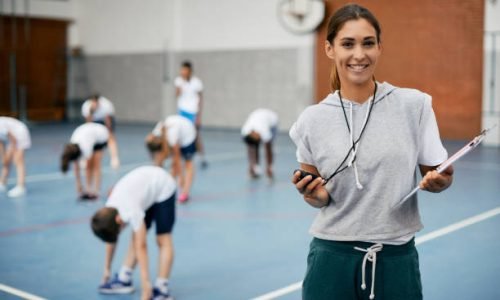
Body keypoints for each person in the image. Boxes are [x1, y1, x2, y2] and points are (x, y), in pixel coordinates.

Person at [289, 4, 454, 300]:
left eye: (368, 43)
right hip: (330, 261)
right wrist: (313, 195)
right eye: (347, 44)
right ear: (330, 49)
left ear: (379, 47)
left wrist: (439, 182)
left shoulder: (414, 106)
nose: (359, 54)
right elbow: (320, 197)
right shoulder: (311, 120)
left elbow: (438, 175)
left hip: (395, 260)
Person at [91, 166, 175, 300]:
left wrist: (145, 284)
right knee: (135, 236)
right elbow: (111, 239)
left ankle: (161, 289)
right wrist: (107, 268)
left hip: (163, 186)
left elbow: (141, 246)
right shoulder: (109, 210)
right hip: (144, 191)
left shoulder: (131, 210)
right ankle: (125, 278)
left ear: (119, 219)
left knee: (162, 239)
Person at [145, 115, 196, 203]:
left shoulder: (172, 137)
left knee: (188, 163)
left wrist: (181, 178)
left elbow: (177, 160)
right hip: (174, 134)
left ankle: (185, 192)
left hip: (187, 134)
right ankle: (163, 189)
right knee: (167, 166)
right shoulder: (155, 136)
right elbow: (158, 160)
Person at [61, 122, 109, 199]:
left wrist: (87, 189)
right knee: (90, 165)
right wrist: (78, 183)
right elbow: (76, 165)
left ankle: (96, 190)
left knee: (96, 164)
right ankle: (89, 189)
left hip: (101, 135)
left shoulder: (85, 147)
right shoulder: (72, 145)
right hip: (90, 134)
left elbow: (88, 167)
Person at [174, 61, 207, 168]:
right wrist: (181, 84)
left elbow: (200, 98)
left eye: (185, 70)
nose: (183, 72)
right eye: (182, 69)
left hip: (193, 112)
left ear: (190, 71)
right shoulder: (179, 81)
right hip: (182, 111)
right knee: (180, 135)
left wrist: (198, 116)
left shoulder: (196, 82)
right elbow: (177, 95)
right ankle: (181, 157)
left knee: (196, 135)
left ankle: (202, 157)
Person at [82, 94, 120, 169]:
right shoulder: (86, 106)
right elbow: (88, 122)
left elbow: (108, 121)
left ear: (99, 101)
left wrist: (109, 132)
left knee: (110, 138)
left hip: (104, 120)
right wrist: (91, 111)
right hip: (93, 121)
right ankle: (85, 159)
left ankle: (114, 158)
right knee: (88, 139)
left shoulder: (106, 105)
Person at [241, 109, 278, 179]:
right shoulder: (245, 131)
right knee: (253, 147)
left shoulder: (264, 130)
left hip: (272, 120)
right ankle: (256, 167)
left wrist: (269, 167)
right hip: (257, 114)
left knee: (269, 145)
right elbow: (250, 148)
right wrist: (251, 165)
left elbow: (268, 150)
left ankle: (270, 167)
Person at [0, 117, 31, 198]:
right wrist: (4, 158)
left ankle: (21, 187)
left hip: (20, 133)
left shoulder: (0, 125)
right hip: (12, 139)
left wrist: (12, 152)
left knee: (18, 160)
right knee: (6, 162)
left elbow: (14, 140)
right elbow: (1, 144)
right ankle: (2, 183)